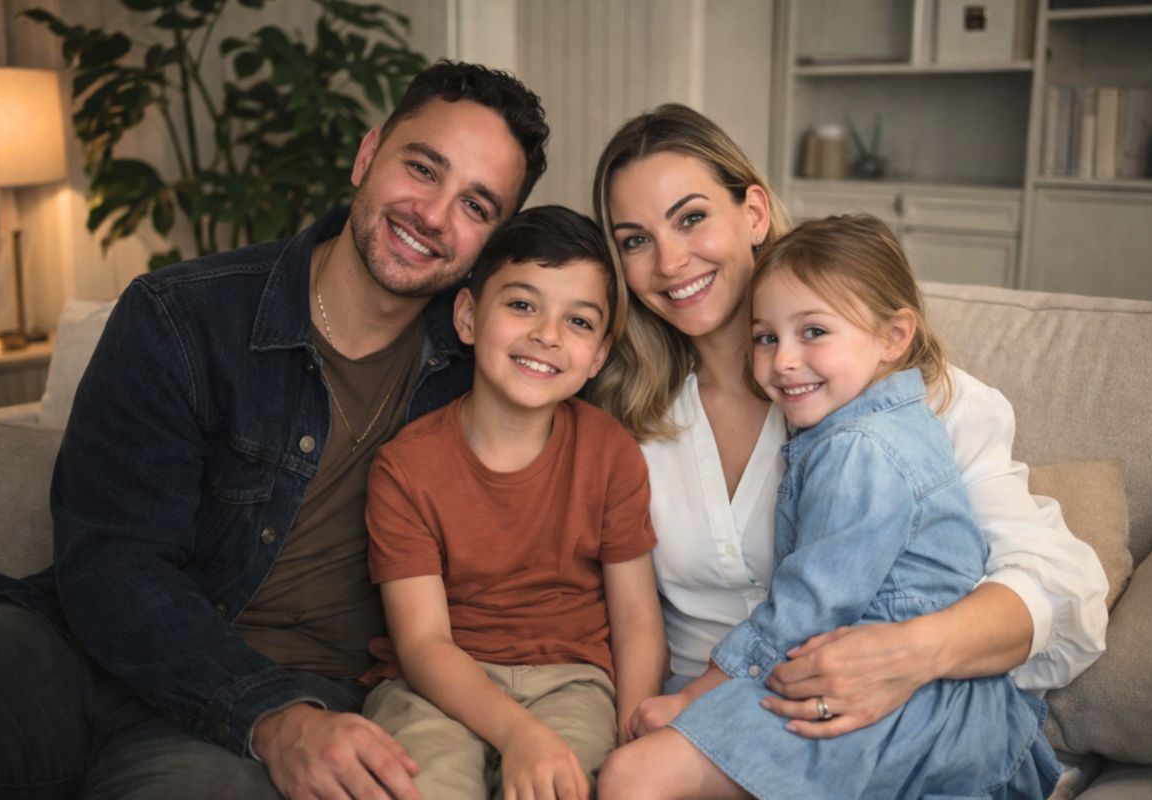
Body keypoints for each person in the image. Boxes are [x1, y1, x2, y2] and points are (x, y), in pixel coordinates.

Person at [0, 60, 548, 800]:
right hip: (79, 649)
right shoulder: (180, 317)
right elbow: (112, 559)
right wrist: (267, 713)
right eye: (422, 168)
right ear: (367, 154)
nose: (435, 216)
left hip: (288, 703)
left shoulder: (489, 372)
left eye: (476, 206)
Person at [587, 103, 1108, 737]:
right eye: (635, 240)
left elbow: (1063, 590)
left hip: (868, 720)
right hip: (689, 723)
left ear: (752, 212)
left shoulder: (905, 397)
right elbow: (615, 613)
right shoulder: (622, 409)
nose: (669, 262)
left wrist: (913, 653)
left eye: (691, 218)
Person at [599, 213, 1062, 799]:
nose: (784, 360)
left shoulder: (860, 448)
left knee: (631, 777)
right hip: (871, 694)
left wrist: (694, 697)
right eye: (766, 338)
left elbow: (809, 605)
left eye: (813, 332)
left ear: (894, 336)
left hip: (900, 706)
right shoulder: (861, 424)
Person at [360, 205, 666, 800]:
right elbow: (422, 644)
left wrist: (634, 737)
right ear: (469, 316)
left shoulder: (609, 453)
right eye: (522, 305)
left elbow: (636, 622)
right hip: (435, 688)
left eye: (578, 322)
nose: (546, 335)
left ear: (599, 357)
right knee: (429, 785)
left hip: (572, 684)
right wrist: (518, 732)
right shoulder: (406, 468)